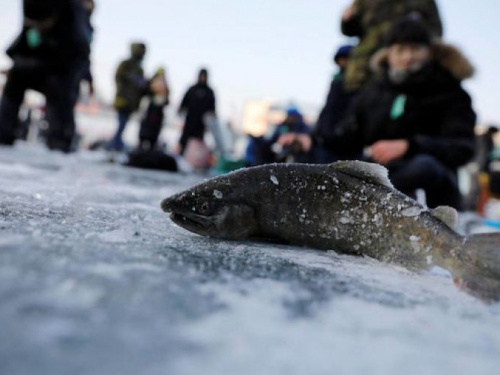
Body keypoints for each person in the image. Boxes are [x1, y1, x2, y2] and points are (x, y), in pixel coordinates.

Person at [279, 18, 476, 210]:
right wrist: (311, 141)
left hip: (429, 181)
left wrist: (409, 146)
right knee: (314, 157)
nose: (408, 57)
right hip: (379, 176)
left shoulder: (453, 94)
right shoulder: (373, 91)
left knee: (423, 166)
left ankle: (424, 224)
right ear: (388, 54)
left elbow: (463, 148)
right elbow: (346, 137)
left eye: (415, 49)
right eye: (400, 50)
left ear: (430, 52)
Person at [0, 0, 90, 152]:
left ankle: (59, 139)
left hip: (62, 67)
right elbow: (26, 39)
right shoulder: (31, 13)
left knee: (61, 95)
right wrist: (18, 60)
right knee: (14, 81)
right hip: (36, 61)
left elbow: (80, 52)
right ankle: (3, 132)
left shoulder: (73, 16)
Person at [341, 0, 443, 92]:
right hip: (363, 68)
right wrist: (347, 20)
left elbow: (435, 31)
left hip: (407, 73)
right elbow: (350, 29)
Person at [313, 45, 355, 163]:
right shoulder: (336, 80)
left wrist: (340, 131)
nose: (343, 63)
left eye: (346, 59)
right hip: (326, 137)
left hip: (340, 141)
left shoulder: (354, 82)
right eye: (341, 60)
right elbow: (328, 108)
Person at [108, 42, 148, 151]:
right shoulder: (126, 64)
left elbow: (142, 88)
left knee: (123, 124)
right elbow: (118, 78)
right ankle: (115, 145)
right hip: (123, 100)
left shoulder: (139, 69)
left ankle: (116, 144)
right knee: (121, 124)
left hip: (132, 103)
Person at [177, 68, 216, 155]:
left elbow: (212, 107)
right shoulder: (192, 89)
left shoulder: (209, 92)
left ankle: (195, 158)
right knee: (184, 139)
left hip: (201, 123)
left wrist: (212, 116)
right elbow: (184, 101)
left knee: (198, 142)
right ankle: (181, 154)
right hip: (190, 119)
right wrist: (181, 109)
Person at [138, 67, 170, 150]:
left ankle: (151, 149)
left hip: (158, 113)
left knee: (153, 133)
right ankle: (141, 148)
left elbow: (167, 100)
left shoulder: (165, 86)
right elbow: (143, 92)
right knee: (145, 131)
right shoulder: (150, 83)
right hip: (149, 111)